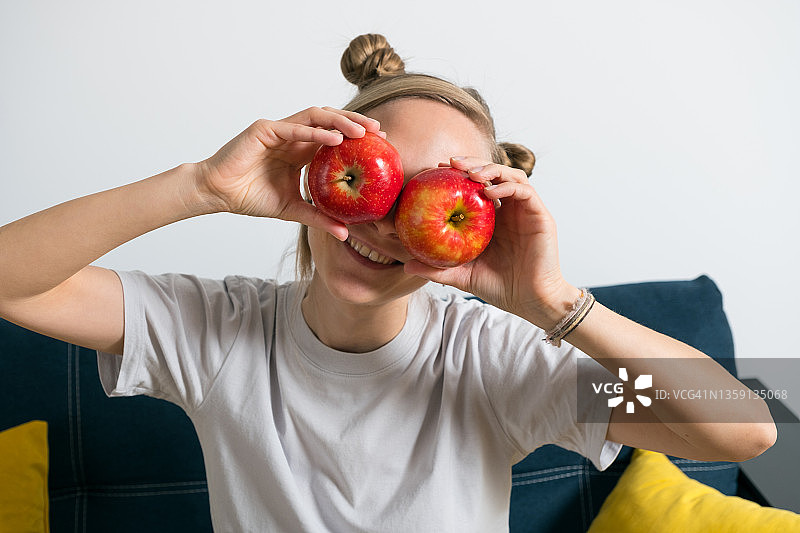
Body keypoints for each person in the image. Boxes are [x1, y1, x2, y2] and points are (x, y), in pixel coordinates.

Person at [0, 33, 776, 532]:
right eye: (372, 183)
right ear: (320, 170)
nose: (384, 226)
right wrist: (200, 185)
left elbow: (746, 429)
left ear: (472, 225)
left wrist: (558, 304)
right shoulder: (216, 329)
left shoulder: (495, 359)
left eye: (421, 202)